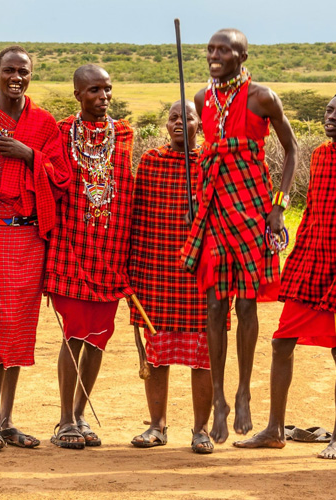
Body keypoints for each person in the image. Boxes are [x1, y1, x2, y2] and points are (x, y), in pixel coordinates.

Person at [181, 28, 298, 443]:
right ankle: (218, 398)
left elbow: (291, 150)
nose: (215, 55)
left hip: (251, 208)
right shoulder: (201, 99)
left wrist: (279, 207)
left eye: (224, 49)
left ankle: (244, 391)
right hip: (214, 207)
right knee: (215, 305)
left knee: (247, 305)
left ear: (242, 56)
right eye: (211, 49)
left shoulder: (262, 97)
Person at [0, 45, 71, 450]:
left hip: (32, 233)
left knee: (23, 326)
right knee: (3, 320)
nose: (16, 77)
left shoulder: (43, 123)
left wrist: (29, 156)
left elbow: (62, 176)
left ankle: (7, 420)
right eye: (9, 70)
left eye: (23, 71)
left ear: (30, 75)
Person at [234, 95, 336, 459]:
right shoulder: (321, 155)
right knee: (282, 342)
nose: (331, 118)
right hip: (314, 259)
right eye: (329, 111)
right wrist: (295, 256)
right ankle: (275, 429)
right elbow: (314, 212)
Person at [44, 64, 134, 449]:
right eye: (94, 90)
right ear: (78, 94)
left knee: (98, 338)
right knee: (74, 334)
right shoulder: (61, 133)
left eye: (107, 89)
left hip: (112, 251)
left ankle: (81, 414)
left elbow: (130, 188)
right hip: (70, 248)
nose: (103, 97)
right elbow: (48, 177)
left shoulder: (125, 134)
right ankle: (65, 419)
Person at [129, 100, 214, 453]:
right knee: (157, 352)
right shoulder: (151, 162)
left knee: (203, 355)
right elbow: (136, 214)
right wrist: (130, 268)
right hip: (156, 268)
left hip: (200, 273)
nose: (179, 123)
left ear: (201, 124)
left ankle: (200, 430)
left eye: (187, 118)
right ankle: (157, 426)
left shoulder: (211, 163)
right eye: (173, 118)